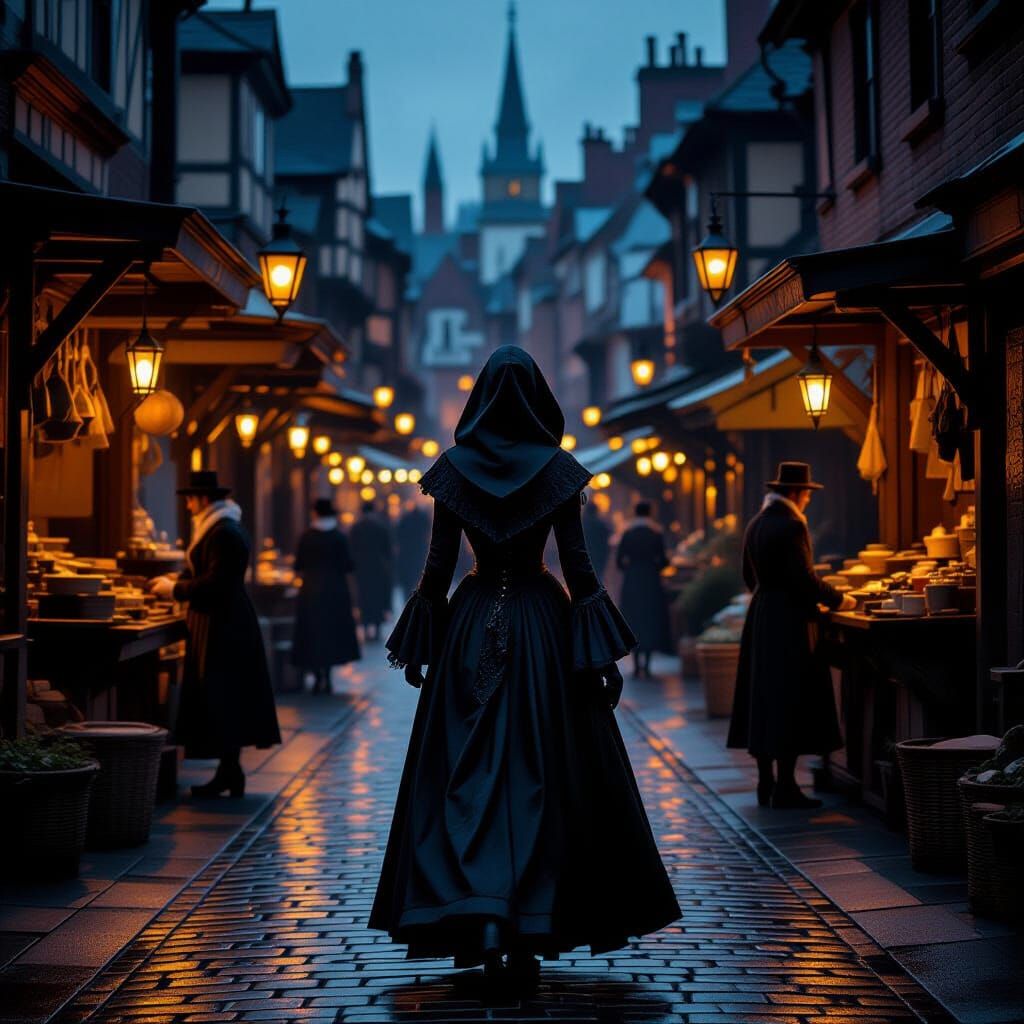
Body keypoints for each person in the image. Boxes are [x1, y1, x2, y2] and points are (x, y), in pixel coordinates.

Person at [370, 346, 679, 982]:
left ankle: (479, 915)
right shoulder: (558, 472)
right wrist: (602, 653)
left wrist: (422, 643)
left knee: (468, 774)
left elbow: (435, 567)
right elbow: (579, 565)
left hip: (471, 621)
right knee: (545, 770)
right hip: (544, 622)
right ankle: (530, 924)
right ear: (539, 397)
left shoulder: (452, 471)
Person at [727, 461, 857, 810]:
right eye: (807, 494)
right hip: (789, 621)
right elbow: (803, 579)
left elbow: (747, 575)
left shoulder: (756, 523)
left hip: (763, 615)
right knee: (789, 699)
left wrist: (768, 598)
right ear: (797, 494)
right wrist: (842, 598)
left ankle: (766, 782)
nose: (808, 501)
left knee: (763, 700)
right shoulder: (790, 526)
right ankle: (785, 786)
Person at [149, 471, 280, 798]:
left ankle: (229, 772)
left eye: (191, 499)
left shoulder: (223, 532)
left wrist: (174, 589)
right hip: (221, 622)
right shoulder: (218, 529)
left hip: (225, 625)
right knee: (223, 697)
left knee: (224, 695)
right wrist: (178, 580)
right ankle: (229, 771)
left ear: (204, 499)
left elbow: (216, 582)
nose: (189, 505)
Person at [291, 498, 361, 694]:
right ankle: (328, 676)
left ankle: (316, 676)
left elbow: (298, 565)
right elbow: (348, 565)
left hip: (311, 591)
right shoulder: (339, 537)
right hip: (335, 591)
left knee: (313, 634)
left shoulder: (307, 536)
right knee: (331, 634)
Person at [616, 502, 673, 679]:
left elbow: (619, 560)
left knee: (633, 618)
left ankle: (636, 664)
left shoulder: (628, 533)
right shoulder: (655, 533)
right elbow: (664, 560)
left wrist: (630, 569)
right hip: (651, 580)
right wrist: (655, 566)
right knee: (650, 618)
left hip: (632, 580)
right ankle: (647, 665)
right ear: (650, 513)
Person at [349, 500, 394, 641]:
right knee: (377, 599)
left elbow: (351, 549)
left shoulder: (356, 528)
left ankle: (367, 627)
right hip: (378, 569)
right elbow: (388, 551)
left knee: (364, 599)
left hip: (362, 570)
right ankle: (377, 629)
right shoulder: (381, 527)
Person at [395, 500, 431, 602]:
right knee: (418, 577)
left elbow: (399, 535)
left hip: (407, 555)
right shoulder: (423, 519)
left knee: (408, 582)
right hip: (420, 553)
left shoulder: (405, 519)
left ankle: (409, 601)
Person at [581, 499, 612, 581]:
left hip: (584, 556)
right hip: (598, 558)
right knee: (597, 580)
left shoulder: (582, 524)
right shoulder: (601, 525)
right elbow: (607, 541)